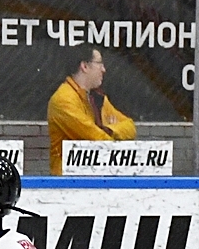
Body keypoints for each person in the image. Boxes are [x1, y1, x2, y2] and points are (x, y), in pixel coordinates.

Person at [47, 46, 137, 175]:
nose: (103, 70)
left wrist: (110, 129)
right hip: (68, 181)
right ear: (84, 66)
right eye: (99, 64)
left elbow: (131, 127)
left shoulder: (97, 98)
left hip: (97, 175)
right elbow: (97, 140)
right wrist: (110, 131)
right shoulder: (63, 100)